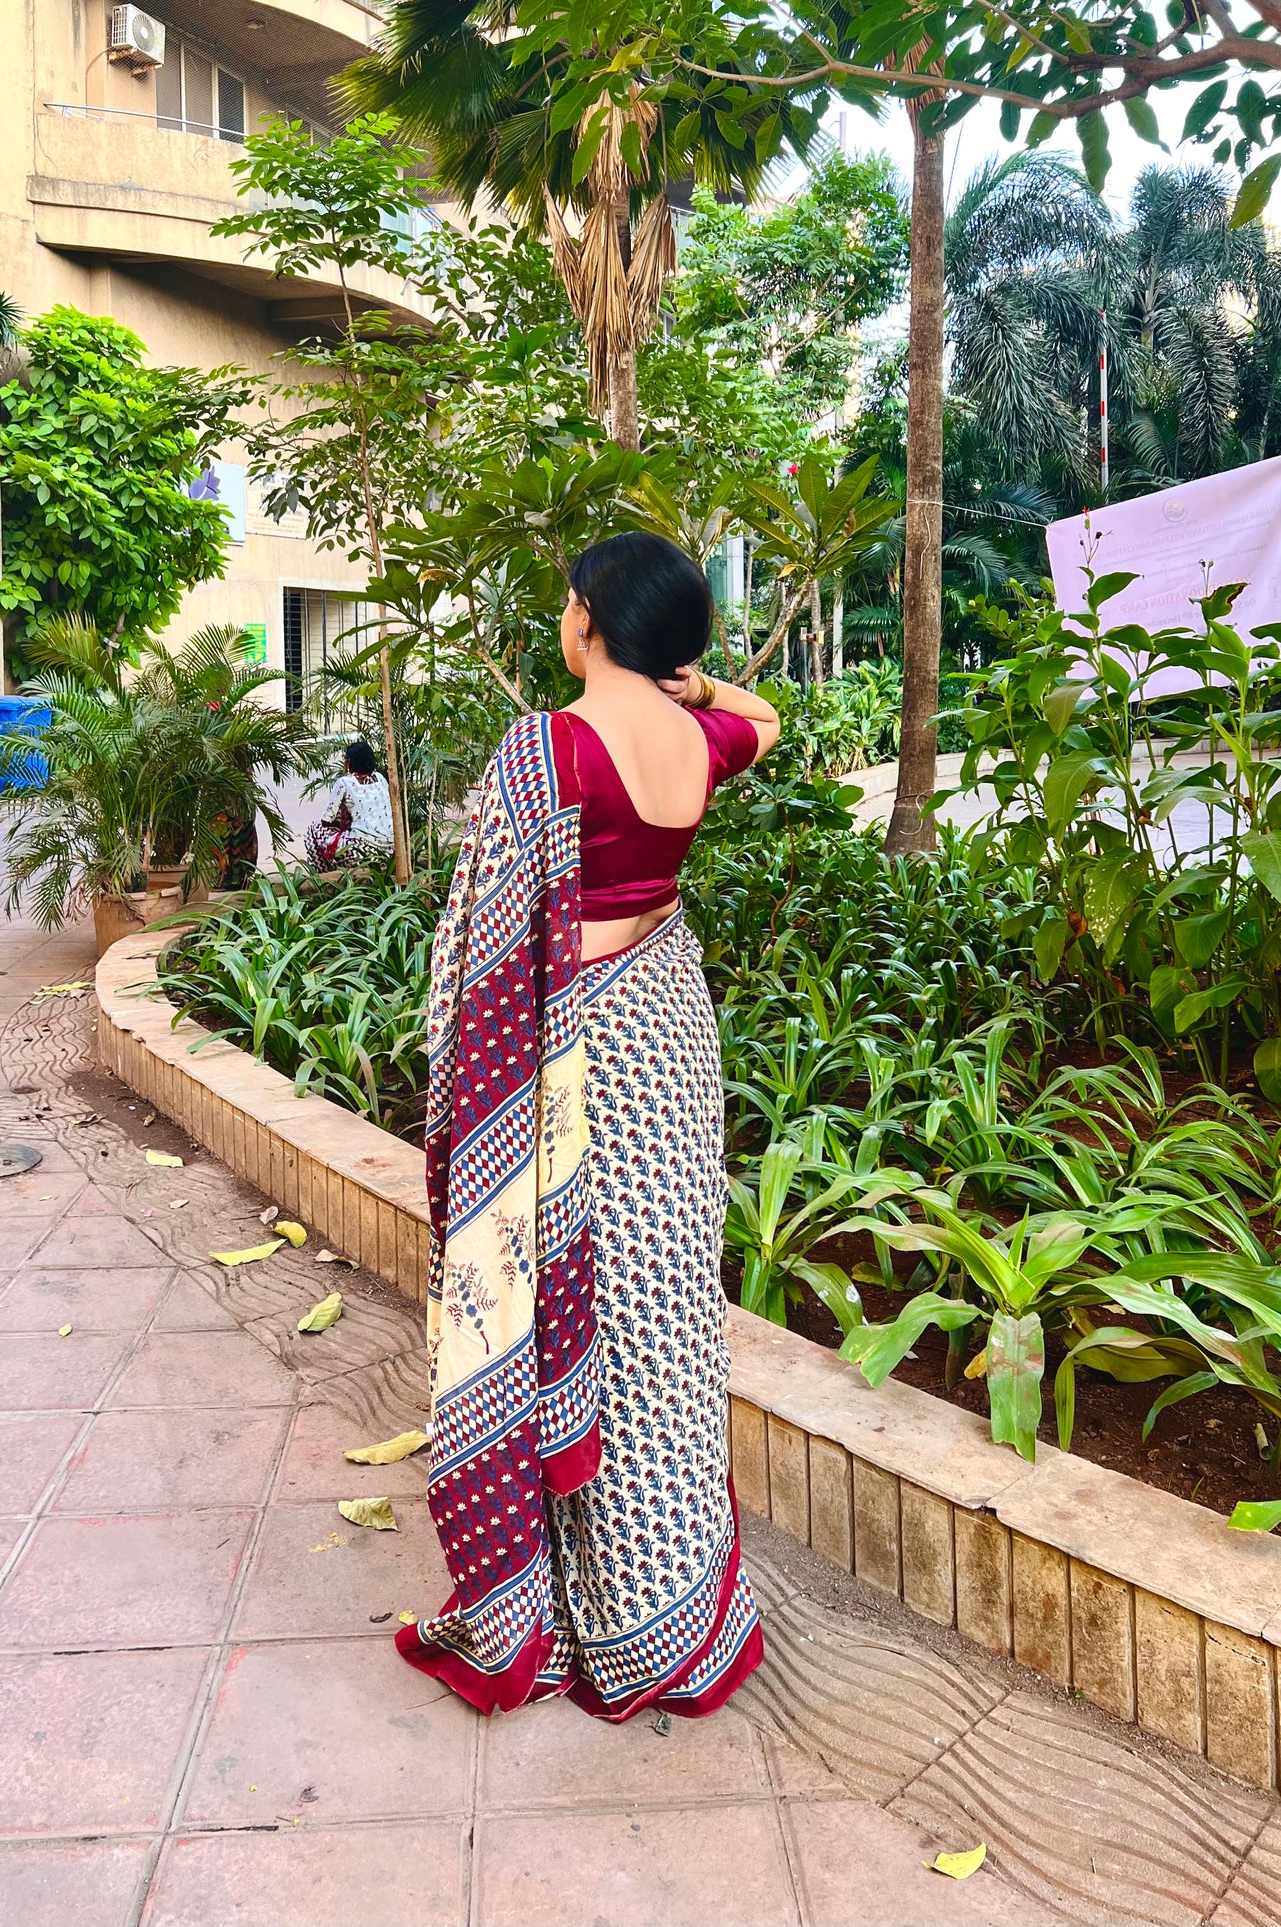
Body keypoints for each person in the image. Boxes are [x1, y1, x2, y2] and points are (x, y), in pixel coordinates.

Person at [398, 531, 781, 1721]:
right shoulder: (694, 738)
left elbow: (481, 937)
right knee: (660, 1306)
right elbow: (764, 722)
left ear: (583, 621)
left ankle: (564, 1616)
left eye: (571, 602)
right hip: (666, 1026)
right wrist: (696, 684)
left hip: (575, 1059)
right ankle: (663, 1605)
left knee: (577, 1308)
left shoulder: (548, 743)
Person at [303, 739, 394, 871]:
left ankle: (323, 873)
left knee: (314, 829)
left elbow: (326, 820)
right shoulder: (380, 778)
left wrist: (343, 824)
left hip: (362, 851)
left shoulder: (345, 782)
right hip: (389, 848)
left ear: (349, 762)